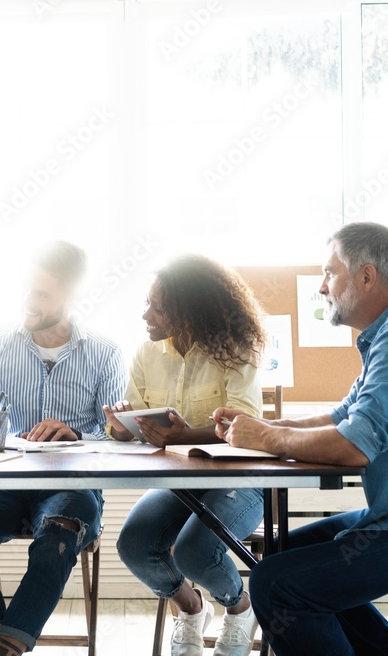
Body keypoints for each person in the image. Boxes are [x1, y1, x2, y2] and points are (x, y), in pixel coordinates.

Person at [215, 222, 388, 655]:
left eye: (329, 272)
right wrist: (265, 428)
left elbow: (353, 446)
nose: (322, 287)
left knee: (278, 584)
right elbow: (345, 417)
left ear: (366, 276)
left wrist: (266, 437)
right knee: (288, 550)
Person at [0, 240, 126, 656]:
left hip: (72, 488)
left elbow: (118, 435)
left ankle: (7, 647)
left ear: (72, 297)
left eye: (42, 294)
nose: (29, 302)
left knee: (59, 533)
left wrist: (78, 435)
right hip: (0, 483)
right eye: (27, 289)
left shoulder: (105, 353)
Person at [106, 254, 267, 656]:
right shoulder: (147, 353)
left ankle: (240, 607)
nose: (146, 314)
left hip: (238, 482)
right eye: (147, 302)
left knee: (194, 551)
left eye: (157, 306)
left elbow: (244, 427)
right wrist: (119, 426)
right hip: (180, 484)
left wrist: (183, 435)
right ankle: (192, 609)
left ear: (189, 309)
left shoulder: (235, 349)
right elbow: (135, 425)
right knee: (134, 544)